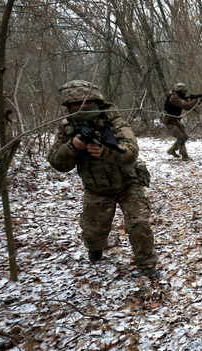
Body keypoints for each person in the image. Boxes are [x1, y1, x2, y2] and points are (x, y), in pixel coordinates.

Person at [47, 80, 158, 278]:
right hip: (95, 187)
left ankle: (147, 265)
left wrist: (106, 152)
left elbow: (131, 151)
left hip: (128, 183)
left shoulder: (113, 121)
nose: (81, 109)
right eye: (75, 105)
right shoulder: (68, 128)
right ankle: (95, 252)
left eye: (86, 104)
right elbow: (58, 163)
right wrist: (72, 146)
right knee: (93, 232)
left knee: (139, 224)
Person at [164, 82, 199, 161]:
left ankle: (172, 150)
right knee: (181, 137)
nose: (185, 93)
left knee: (185, 137)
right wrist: (195, 100)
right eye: (184, 91)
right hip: (169, 121)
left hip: (175, 120)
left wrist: (195, 102)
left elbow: (187, 105)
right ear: (179, 91)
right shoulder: (174, 98)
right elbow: (186, 106)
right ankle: (184, 156)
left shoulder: (178, 97)